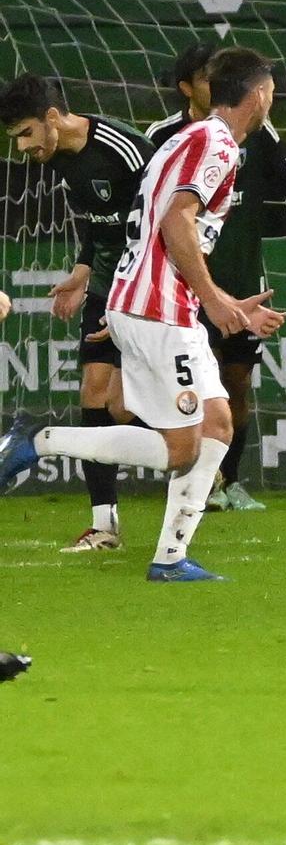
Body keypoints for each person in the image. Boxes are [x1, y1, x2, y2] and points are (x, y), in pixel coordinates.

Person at [0, 48, 286, 581]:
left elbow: (146, 225)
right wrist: (217, 300)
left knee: (218, 424)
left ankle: (171, 558)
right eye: (272, 90)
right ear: (259, 95)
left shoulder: (183, 139)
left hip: (153, 303)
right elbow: (177, 223)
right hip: (160, 309)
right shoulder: (216, 145)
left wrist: (187, 299)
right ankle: (37, 442)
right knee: (182, 448)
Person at [149, 42, 286, 511]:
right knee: (188, 391)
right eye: (205, 76)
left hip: (241, 283)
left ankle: (229, 480)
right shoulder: (167, 137)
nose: (214, 82)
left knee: (235, 382)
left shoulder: (254, 133)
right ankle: (193, 479)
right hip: (183, 288)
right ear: (187, 88)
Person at [0, 74, 157, 552]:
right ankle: (104, 525)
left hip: (149, 284)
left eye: (25, 133)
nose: (22, 147)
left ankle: (199, 458)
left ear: (52, 119)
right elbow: (98, 223)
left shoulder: (126, 148)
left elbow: (159, 225)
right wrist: (81, 273)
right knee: (94, 391)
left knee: (123, 407)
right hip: (108, 284)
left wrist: (132, 304)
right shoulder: (61, 160)